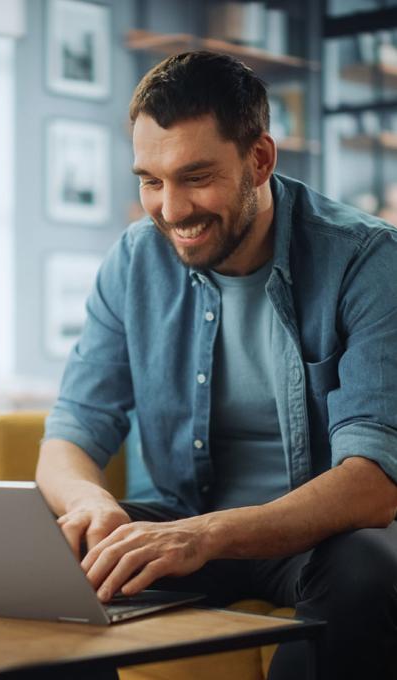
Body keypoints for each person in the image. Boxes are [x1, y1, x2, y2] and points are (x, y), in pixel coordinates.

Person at [36, 51, 397, 680]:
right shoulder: (134, 262)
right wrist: (89, 502)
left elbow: (372, 483)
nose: (171, 210)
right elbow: (70, 429)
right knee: (35, 558)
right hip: (184, 520)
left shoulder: (367, 262)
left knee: (370, 570)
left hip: (320, 544)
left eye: (195, 176)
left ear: (259, 159)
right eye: (150, 180)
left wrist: (202, 536)